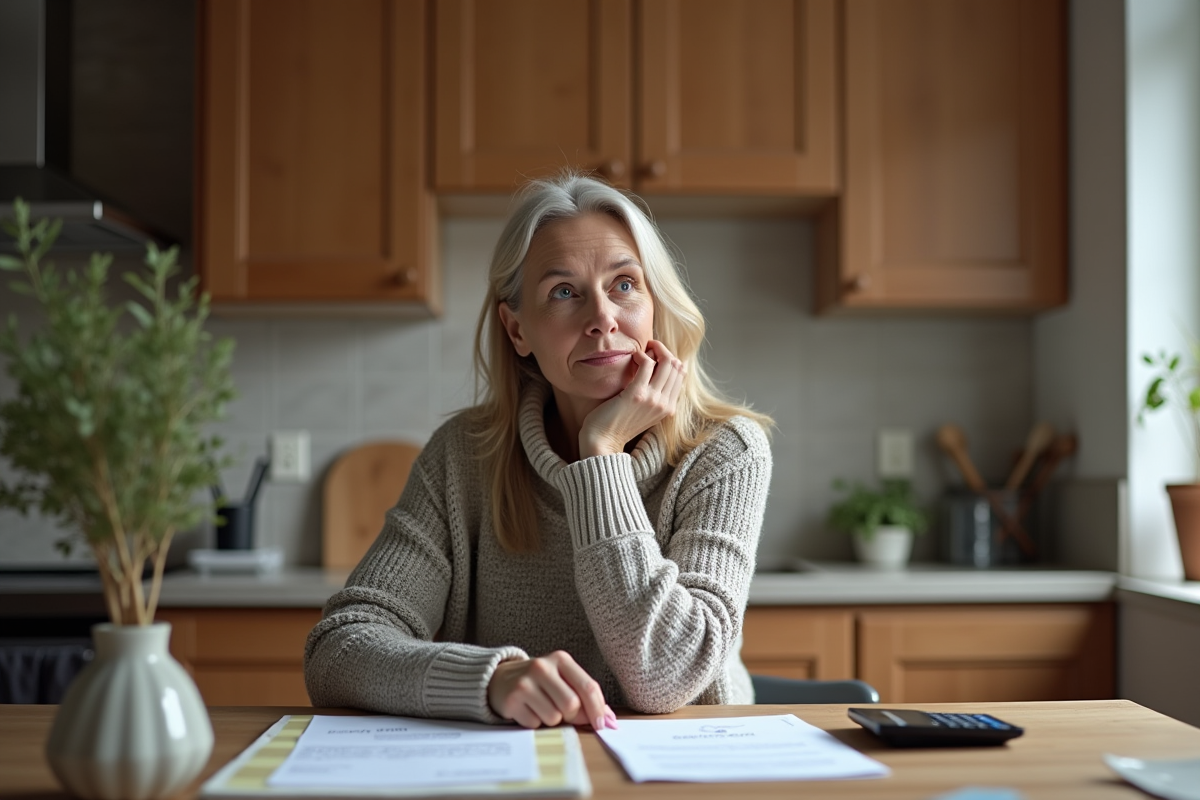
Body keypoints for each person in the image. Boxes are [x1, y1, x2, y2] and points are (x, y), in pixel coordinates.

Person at [304, 172, 773, 731]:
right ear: (517, 329)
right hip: (512, 772)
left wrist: (600, 457)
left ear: (655, 305)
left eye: (625, 284)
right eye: (564, 292)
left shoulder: (724, 452)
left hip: (685, 774)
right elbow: (339, 649)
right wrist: (489, 679)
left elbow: (664, 677)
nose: (603, 318)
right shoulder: (463, 457)